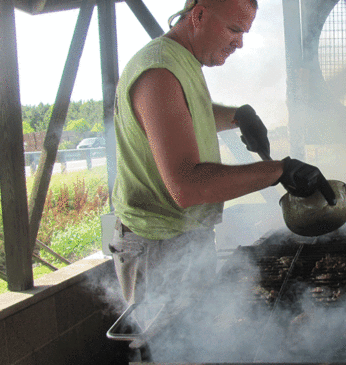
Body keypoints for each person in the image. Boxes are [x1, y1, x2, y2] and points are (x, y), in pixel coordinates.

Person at [109, 0, 334, 306]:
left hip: (184, 236)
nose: (239, 43)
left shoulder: (180, 60)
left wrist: (238, 116)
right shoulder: (159, 71)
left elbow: (181, 113)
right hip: (159, 247)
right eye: (234, 29)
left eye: (244, 33)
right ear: (199, 15)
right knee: (173, 349)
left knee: (201, 343)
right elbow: (186, 187)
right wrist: (278, 170)